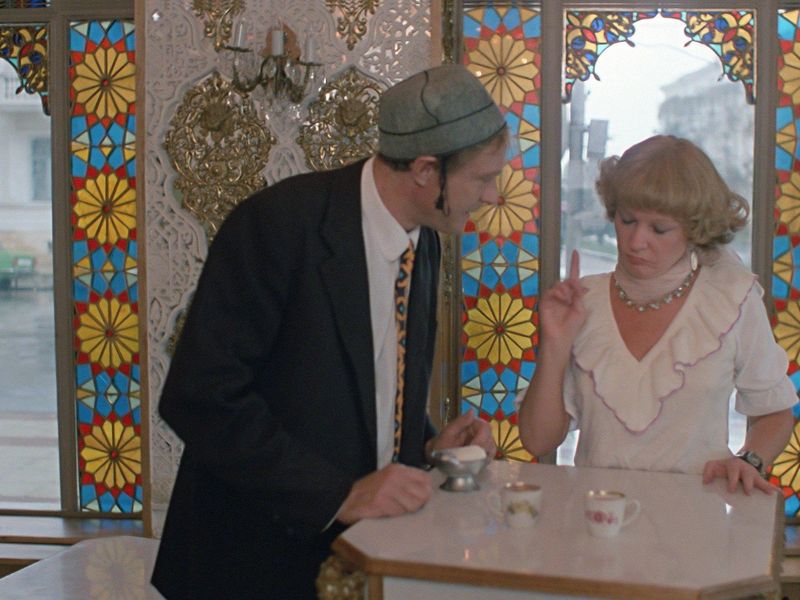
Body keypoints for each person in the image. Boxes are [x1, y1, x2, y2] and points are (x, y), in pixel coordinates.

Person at [151, 64, 503, 599]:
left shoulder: (425, 239)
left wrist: (428, 443)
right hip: (250, 562)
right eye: (482, 178)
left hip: (352, 558)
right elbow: (199, 398)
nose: (493, 196)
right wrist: (337, 496)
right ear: (425, 170)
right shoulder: (278, 225)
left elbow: (369, 381)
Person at [518, 135, 796, 495]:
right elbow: (538, 441)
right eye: (627, 220)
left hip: (696, 518)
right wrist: (555, 345)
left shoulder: (732, 299)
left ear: (694, 229)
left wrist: (749, 460)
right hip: (596, 518)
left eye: (658, 228)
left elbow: (774, 411)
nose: (636, 241)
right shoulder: (582, 302)